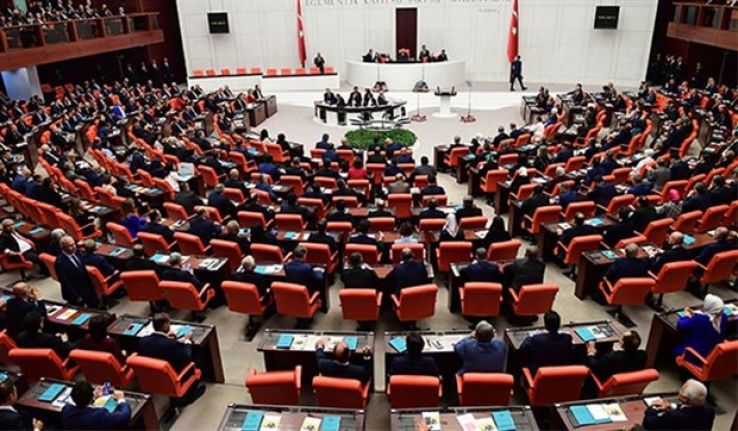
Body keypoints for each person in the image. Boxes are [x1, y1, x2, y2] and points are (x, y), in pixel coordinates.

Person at [138, 313, 206, 401]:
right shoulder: (170, 344)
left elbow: (159, 347)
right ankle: (190, 394)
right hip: (174, 374)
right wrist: (187, 340)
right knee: (197, 356)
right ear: (164, 326)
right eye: (168, 323)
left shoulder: (143, 340)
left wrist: (168, 339)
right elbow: (187, 356)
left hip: (155, 374)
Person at [674, 294, 728, 363]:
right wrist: (696, 316)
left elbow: (681, 325)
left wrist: (686, 316)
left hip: (698, 357)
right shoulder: (724, 317)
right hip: (714, 353)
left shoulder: (699, 320)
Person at [642, 379, 715, 430]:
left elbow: (648, 423)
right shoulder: (710, 410)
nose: (679, 390)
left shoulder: (675, 416)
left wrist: (653, 407)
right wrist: (671, 406)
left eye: (681, 389)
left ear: (685, 399)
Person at [60, 381, 130, 430]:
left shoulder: (66, 410)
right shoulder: (99, 415)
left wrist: (93, 397)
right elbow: (124, 416)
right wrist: (121, 399)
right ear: (90, 397)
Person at [55, 235, 98, 307]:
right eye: (70, 245)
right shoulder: (60, 263)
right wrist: (76, 297)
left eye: (74, 244)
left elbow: (83, 269)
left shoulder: (76, 252)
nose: (74, 247)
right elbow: (65, 282)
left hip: (87, 288)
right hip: (76, 293)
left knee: (95, 306)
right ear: (63, 247)